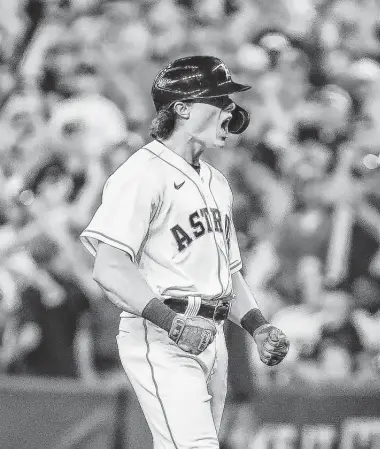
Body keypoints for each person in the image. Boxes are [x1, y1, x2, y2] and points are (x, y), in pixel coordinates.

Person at [80, 56, 290, 449]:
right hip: (163, 331)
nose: (231, 110)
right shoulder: (141, 173)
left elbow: (229, 273)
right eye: (221, 100)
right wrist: (171, 323)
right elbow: (109, 266)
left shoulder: (217, 182)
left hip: (214, 334)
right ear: (182, 107)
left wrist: (258, 325)